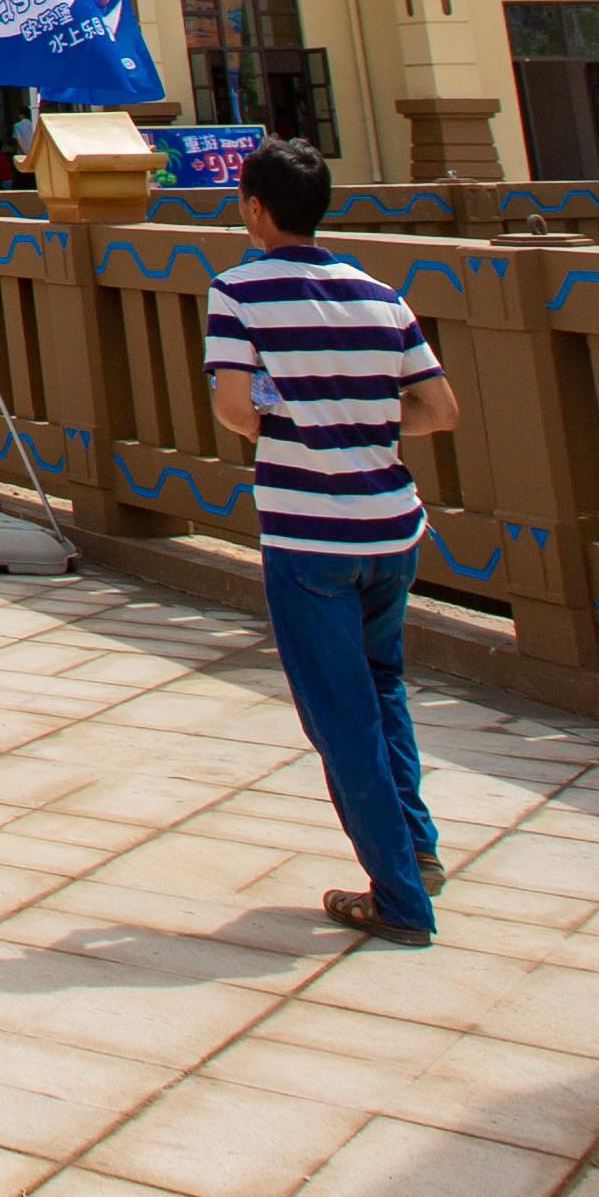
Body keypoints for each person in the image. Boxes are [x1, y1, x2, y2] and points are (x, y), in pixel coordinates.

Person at [200, 135, 459, 943]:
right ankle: (417, 849)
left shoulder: (237, 292)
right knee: (383, 687)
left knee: (337, 715)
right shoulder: (380, 295)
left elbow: (236, 410)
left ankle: (399, 900)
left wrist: (294, 418)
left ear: (254, 209)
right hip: (391, 524)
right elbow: (438, 409)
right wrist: (364, 426)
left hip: (309, 531)